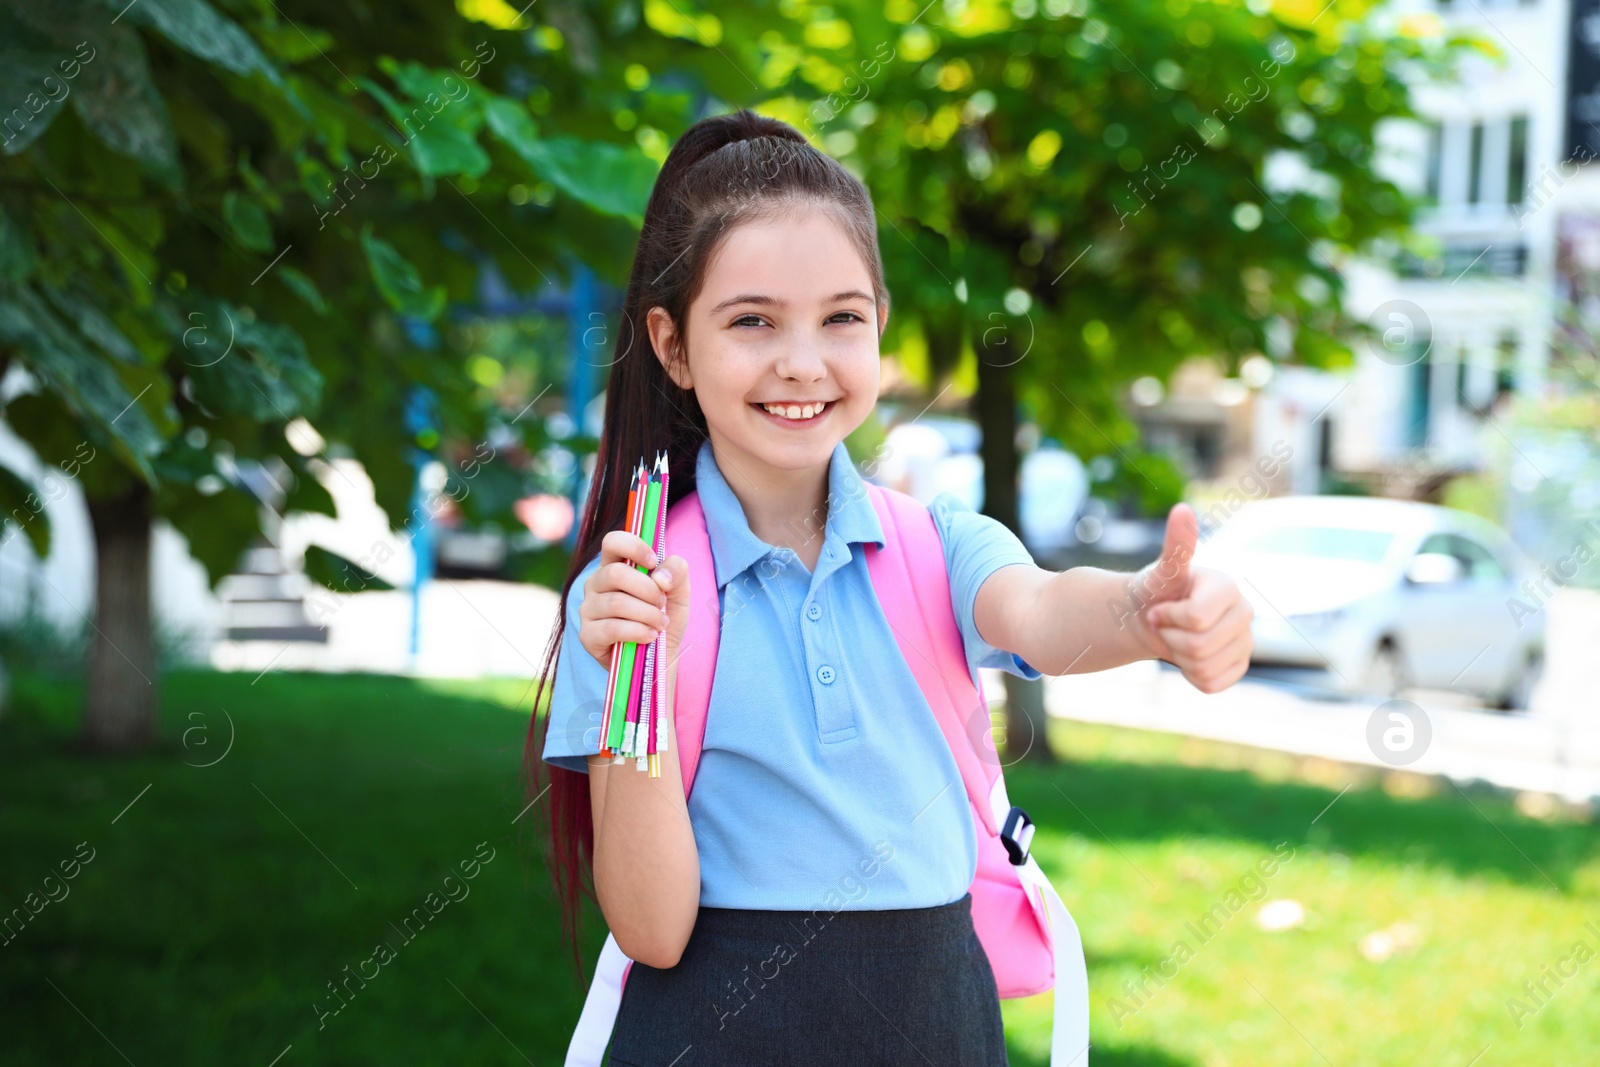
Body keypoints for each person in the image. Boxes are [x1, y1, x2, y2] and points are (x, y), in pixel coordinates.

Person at [527, 108, 1254, 1067]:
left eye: (841, 318)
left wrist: (1143, 612)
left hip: (937, 1022)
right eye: (751, 321)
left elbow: (1038, 611)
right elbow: (654, 930)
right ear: (671, 346)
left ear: (880, 327)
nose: (802, 361)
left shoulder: (934, 545)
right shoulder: (627, 595)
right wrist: (637, 682)